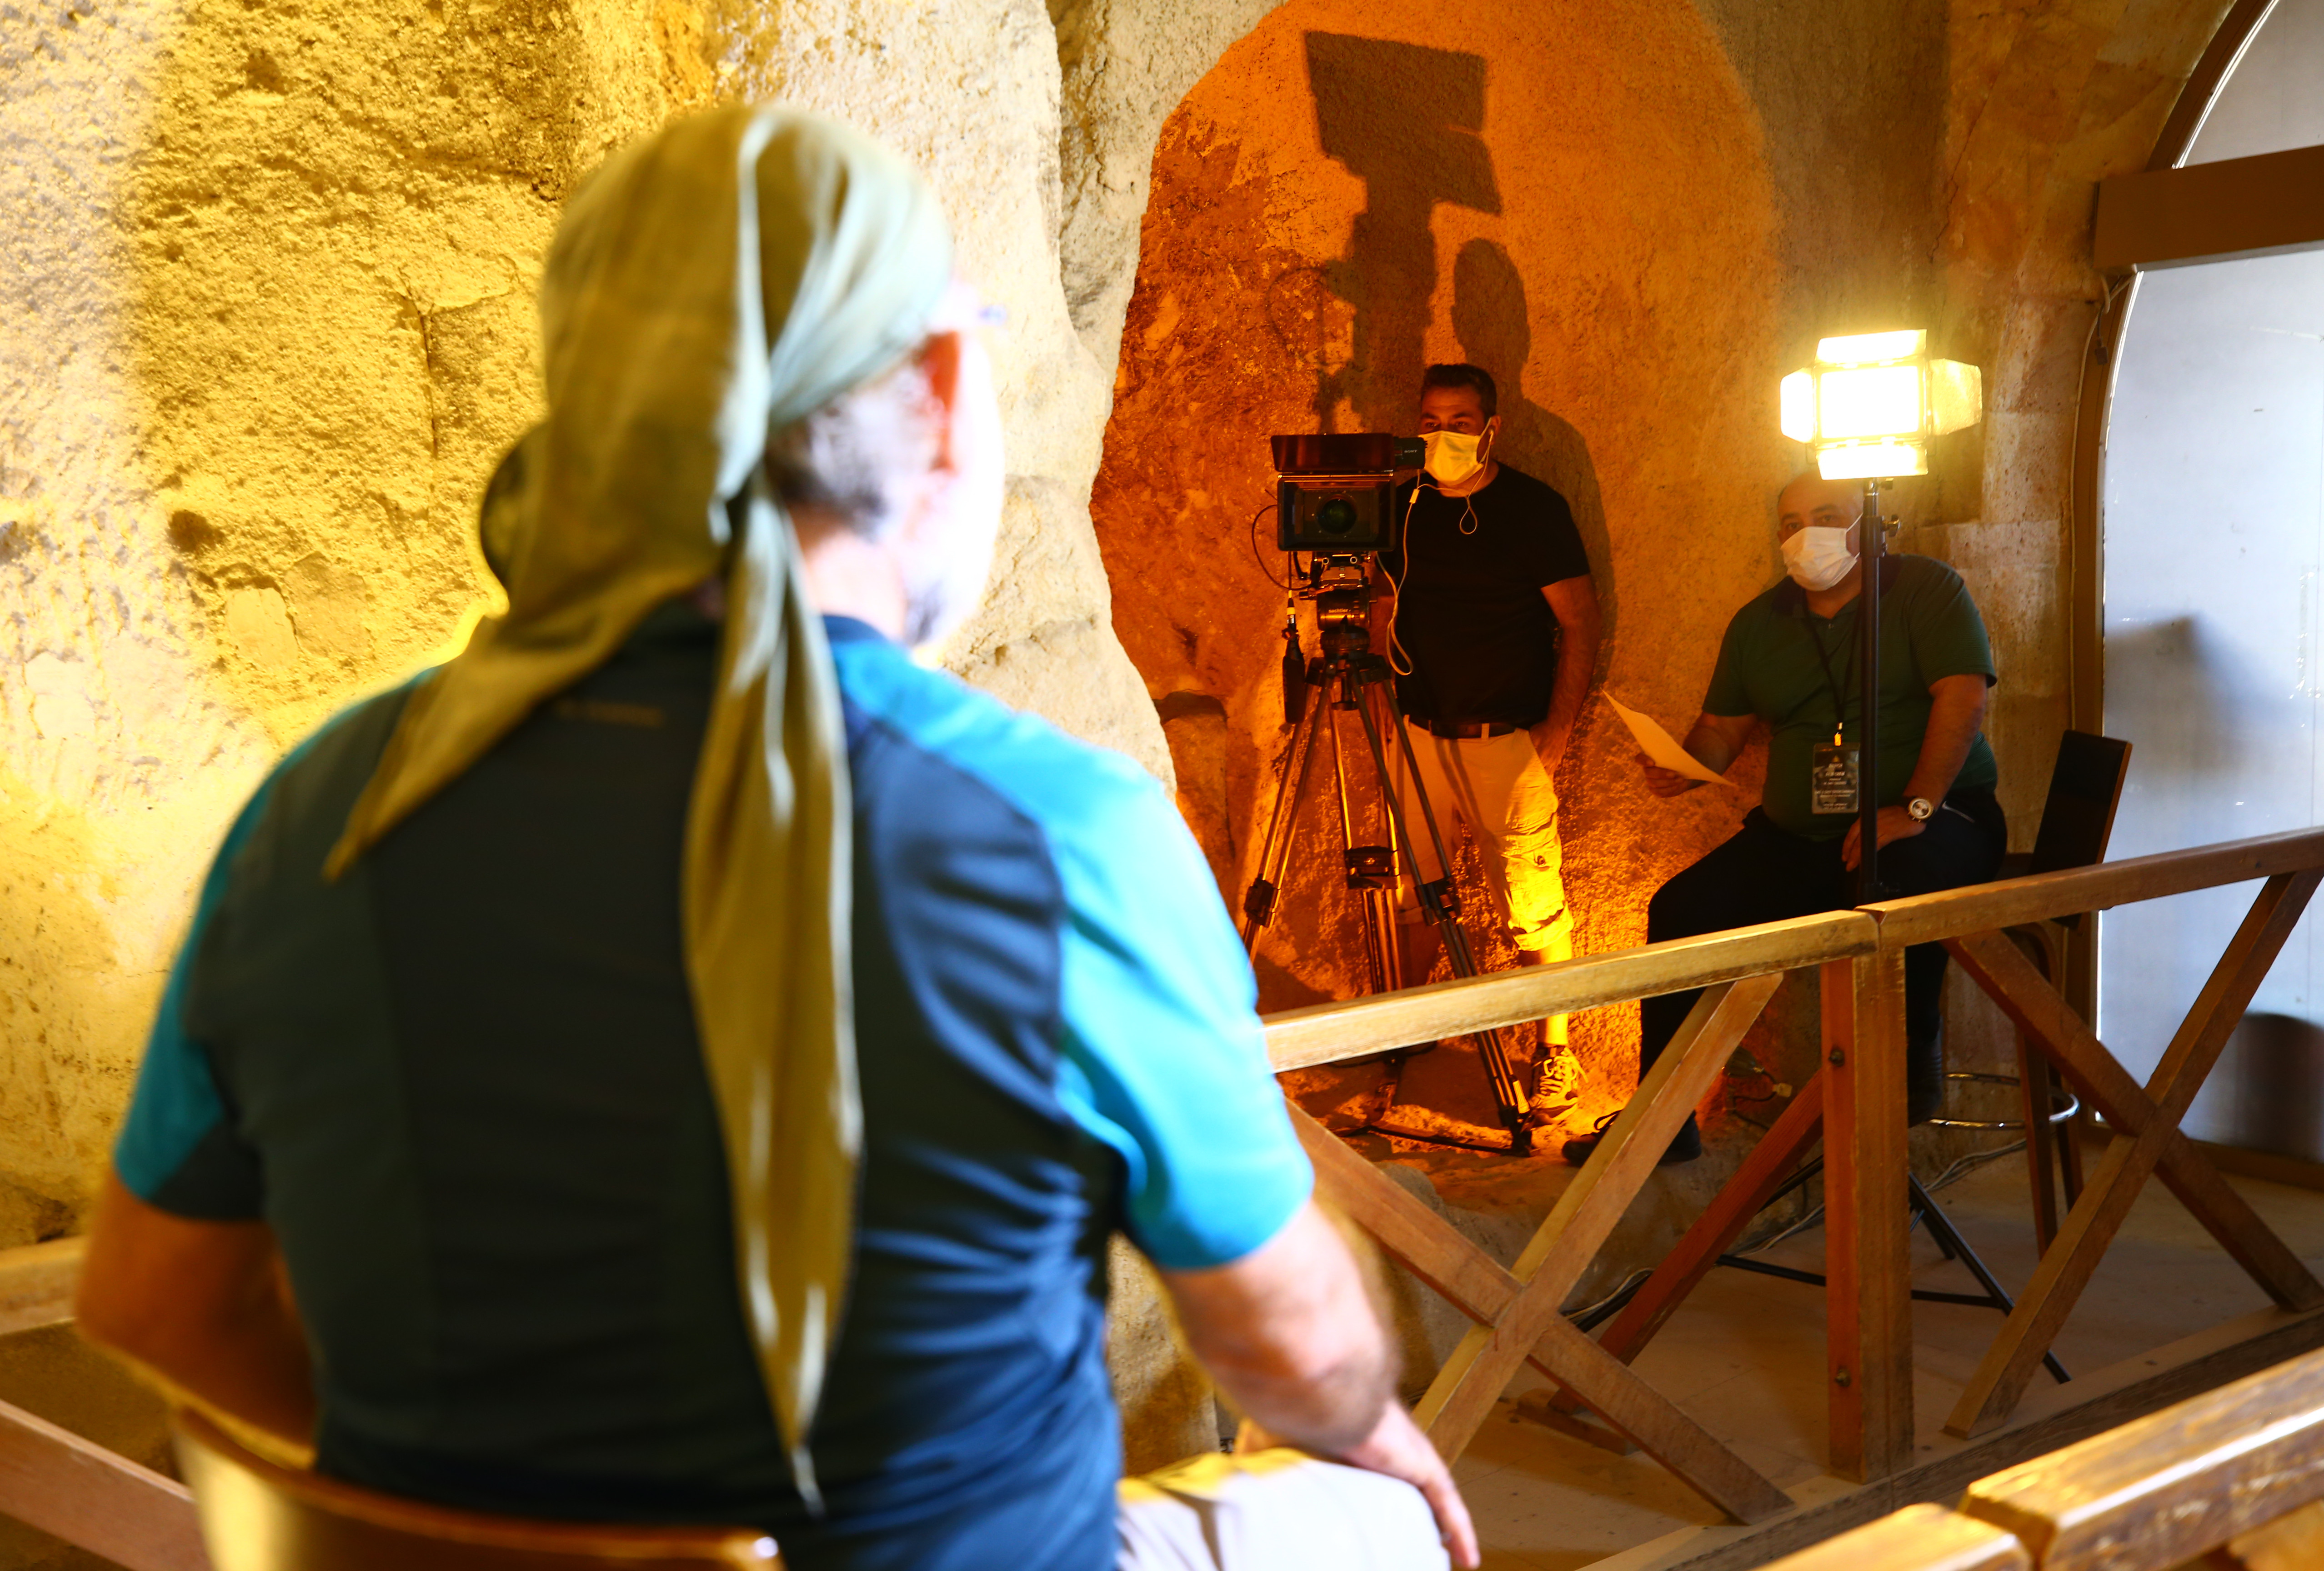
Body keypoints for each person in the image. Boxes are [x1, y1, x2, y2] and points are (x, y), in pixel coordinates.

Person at [74, 108, 1476, 1571]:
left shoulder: (328, 807)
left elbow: (154, 1303)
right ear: (941, 387)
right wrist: (1363, 1414)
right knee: (1379, 1507)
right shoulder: (1059, 837)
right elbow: (1293, 1359)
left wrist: (475, 1528)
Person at [1576, 474, 2003, 1166]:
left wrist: (1915, 806)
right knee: (1682, 909)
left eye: (1827, 515)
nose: (1805, 533)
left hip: (1940, 818)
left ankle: (1905, 1069)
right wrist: (1683, 763)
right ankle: (1664, 1118)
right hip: (1800, 836)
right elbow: (1722, 726)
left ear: (1865, 524)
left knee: (1890, 887)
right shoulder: (1759, 622)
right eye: (1789, 522)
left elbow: (1963, 698)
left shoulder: (1925, 589)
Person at [1377, 363, 1600, 1117]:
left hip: (1508, 739)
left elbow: (1579, 621)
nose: (1444, 435)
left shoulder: (1533, 509)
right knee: (1415, 899)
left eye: (1462, 420)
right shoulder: (1403, 507)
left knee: (1534, 907)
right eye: (1432, 419)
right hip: (1418, 737)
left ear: (1491, 427)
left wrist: (1558, 732)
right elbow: (1384, 606)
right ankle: (1405, 1035)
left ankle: (1556, 1051)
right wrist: (1386, 713)